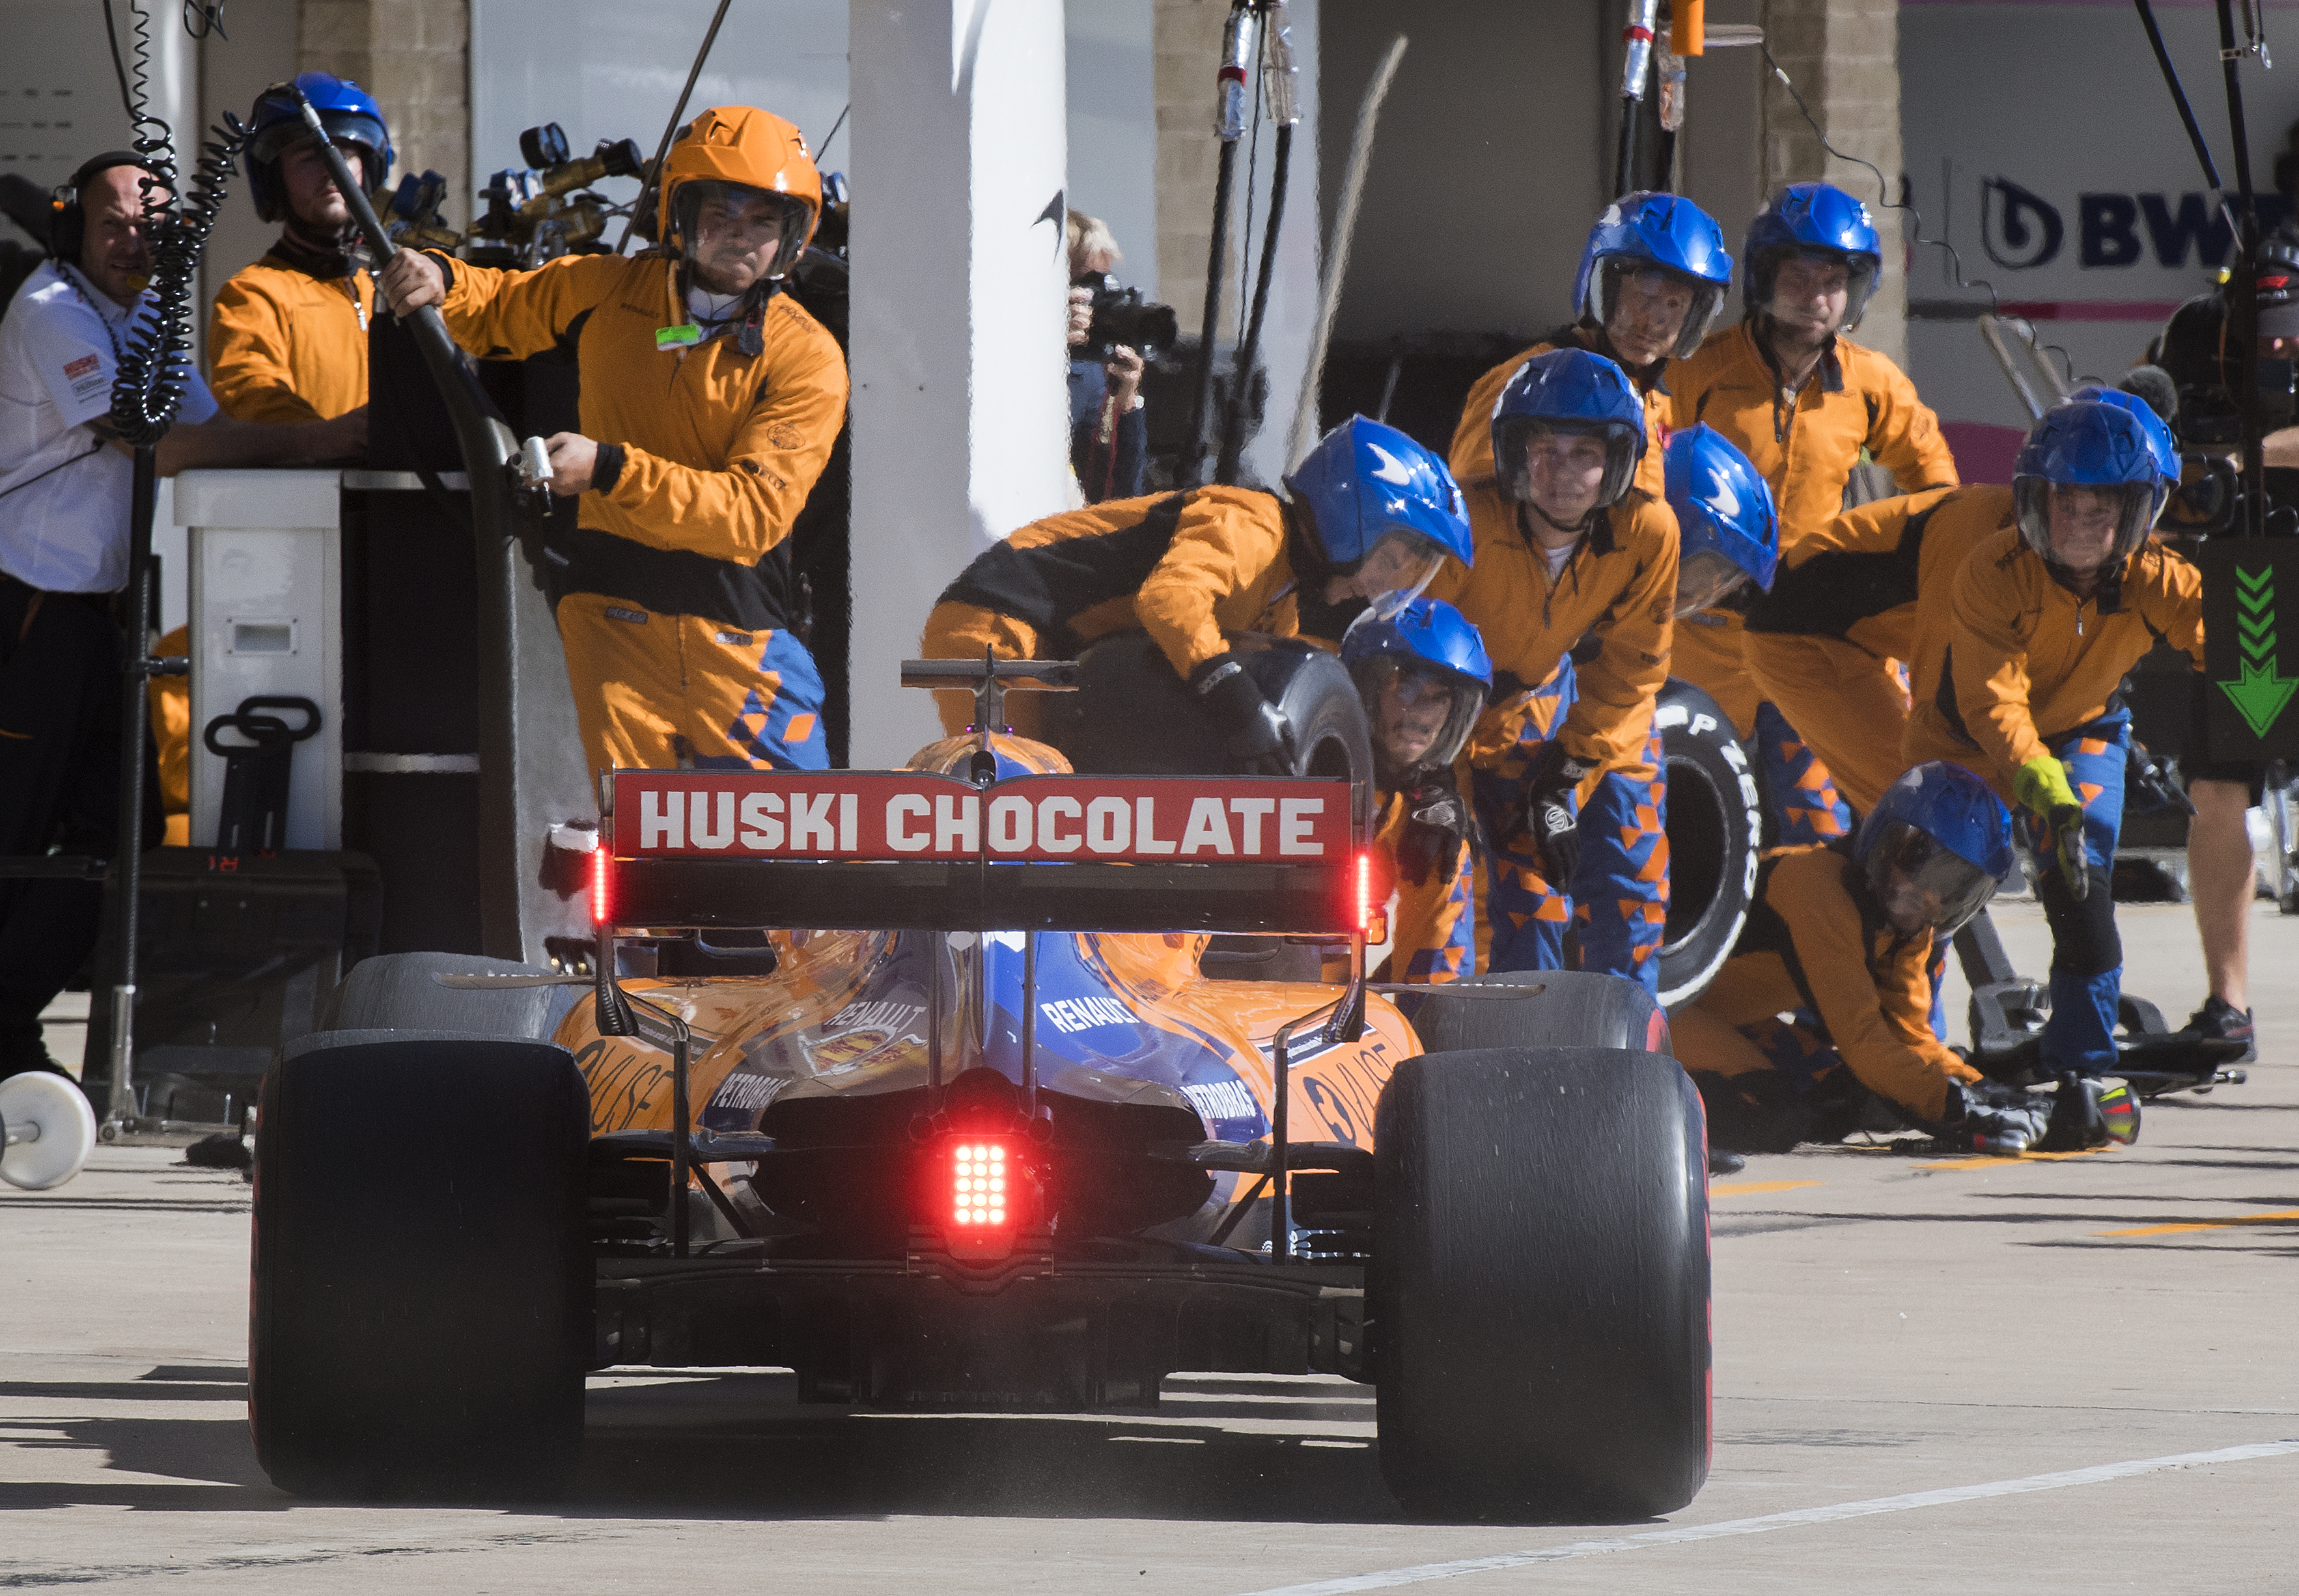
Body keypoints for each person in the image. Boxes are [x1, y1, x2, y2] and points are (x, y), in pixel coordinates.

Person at [0, 153, 363, 1086]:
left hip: (100, 614)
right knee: (19, 830)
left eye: (152, 225)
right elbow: (158, 443)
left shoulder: (150, 315)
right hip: (27, 605)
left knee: (114, 837)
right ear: (71, 227)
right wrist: (328, 435)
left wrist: (342, 457)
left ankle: (5, 1018)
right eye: (114, 222)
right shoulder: (53, 310)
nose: (134, 241)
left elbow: (216, 440)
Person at [376, 106, 847, 777]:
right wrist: (442, 277)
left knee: (789, 851)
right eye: (719, 214)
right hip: (611, 624)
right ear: (680, 217)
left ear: (794, 234)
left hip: (745, 637)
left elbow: (751, 516)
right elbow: (498, 306)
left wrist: (609, 469)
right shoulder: (605, 291)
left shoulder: (807, 356)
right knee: (633, 853)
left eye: (762, 220)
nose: (738, 237)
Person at [1902, 398, 2193, 1131]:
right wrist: (2039, 781)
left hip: (2085, 730)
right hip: (1967, 739)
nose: (2079, 521)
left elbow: (2256, 661)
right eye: (2064, 500)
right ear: (2035, 499)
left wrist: (2270, 709)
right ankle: (1915, 1056)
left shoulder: (2165, 578)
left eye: (2103, 505)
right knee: (1921, 883)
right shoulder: (1991, 570)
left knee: (2079, 865)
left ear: (2140, 513)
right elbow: (1994, 705)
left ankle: (2084, 1063)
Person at [919, 415, 1473, 765]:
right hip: (1000, 624)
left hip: (1053, 654)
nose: (1384, 583)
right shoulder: (1255, 525)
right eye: (1392, 560)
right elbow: (1170, 601)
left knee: (1060, 811)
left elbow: (1270, 682)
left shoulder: (1280, 597)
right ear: (1349, 518)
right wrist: (1234, 698)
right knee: (1024, 808)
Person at [1668, 182, 1960, 843]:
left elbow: (1937, 485)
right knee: (1687, 825)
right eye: (1797, 276)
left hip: (1809, 633)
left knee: (1816, 826)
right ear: (1763, 278)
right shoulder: (1698, 372)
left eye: (1834, 280)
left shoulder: (1871, 382)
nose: (1816, 296)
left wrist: (1903, 569)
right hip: (1700, 636)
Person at [1677, 762, 2133, 1154]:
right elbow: (1863, 1041)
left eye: (1955, 885)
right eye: (1919, 859)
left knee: (1844, 1100)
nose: (1927, 894)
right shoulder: (1815, 886)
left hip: (1723, 1012)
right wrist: (1959, 1111)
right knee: (1773, 1115)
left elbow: (1912, 1037)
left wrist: (1989, 1095)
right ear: (1881, 837)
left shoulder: (1902, 928)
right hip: (1662, 1009)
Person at [1423, 347, 1679, 978]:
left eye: (1586, 455)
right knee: (1438, 884)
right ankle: (1423, 1058)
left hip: (1524, 711)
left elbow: (1629, 673)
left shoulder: (1650, 534)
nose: (1562, 474)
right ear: (1514, 455)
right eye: (1545, 452)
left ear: (1618, 462)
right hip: (1428, 723)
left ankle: (1524, 1052)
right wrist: (1430, 783)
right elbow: (1407, 659)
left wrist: (1565, 777)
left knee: (1538, 894)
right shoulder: (1462, 520)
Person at [1449, 191, 1732, 501]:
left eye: (1675, 304)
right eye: (1643, 296)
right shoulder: (1526, 382)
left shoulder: (1658, 394)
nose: (1656, 321)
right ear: (1603, 287)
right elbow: (1477, 506)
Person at [208, 73, 388, 425]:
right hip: (315, 480)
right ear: (276, 178)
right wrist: (347, 441)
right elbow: (254, 399)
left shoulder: (387, 291)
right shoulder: (254, 295)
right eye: (310, 157)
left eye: (346, 155)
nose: (331, 171)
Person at [1340, 599, 1492, 984]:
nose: (1423, 714)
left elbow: (1441, 988)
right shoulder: (1289, 784)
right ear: (1364, 691)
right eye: (1405, 688)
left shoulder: (1435, 825)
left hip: (1356, 1023)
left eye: (1440, 697)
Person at [1066, 210, 1146, 504]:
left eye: (1107, 286)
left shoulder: (1099, 372)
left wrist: (1128, 406)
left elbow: (1125, 504)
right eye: (1089, 286)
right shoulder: (1017, 357)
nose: (1100, 304)